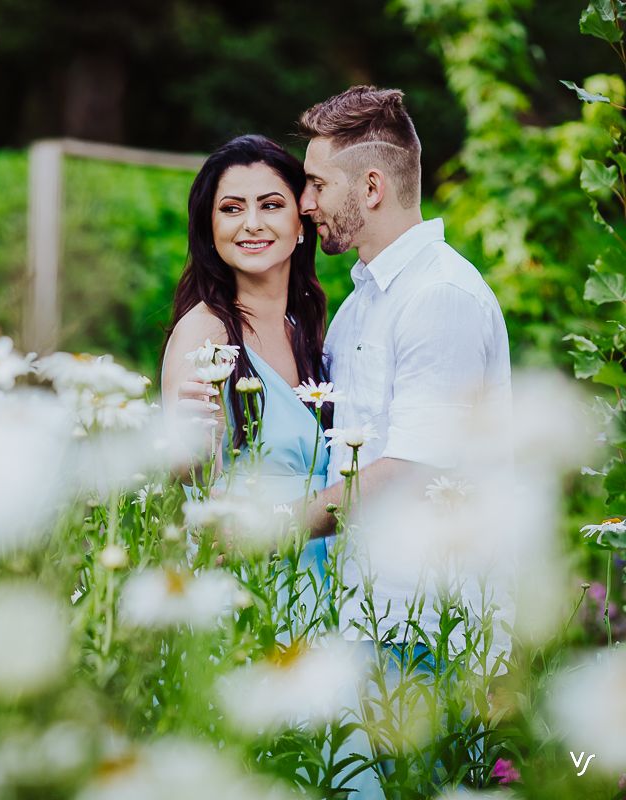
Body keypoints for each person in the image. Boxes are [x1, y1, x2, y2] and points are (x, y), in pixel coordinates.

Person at [296, 85, 513, 798]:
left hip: (430, 631)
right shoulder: (365, 302)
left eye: (317, 183)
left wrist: (267, 529)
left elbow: (406, 472)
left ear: (373, 185)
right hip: (370, 620)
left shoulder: (439, 297)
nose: (306, 202)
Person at [160, 134, 334, 575]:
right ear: (209, 228)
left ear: (301, 223)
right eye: (232, 209)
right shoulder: (206, 331)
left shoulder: (307, 329)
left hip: (316, 584)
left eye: (271, 205)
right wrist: (194, 444)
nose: (252, 223)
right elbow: (189, 476)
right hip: (245, 581)